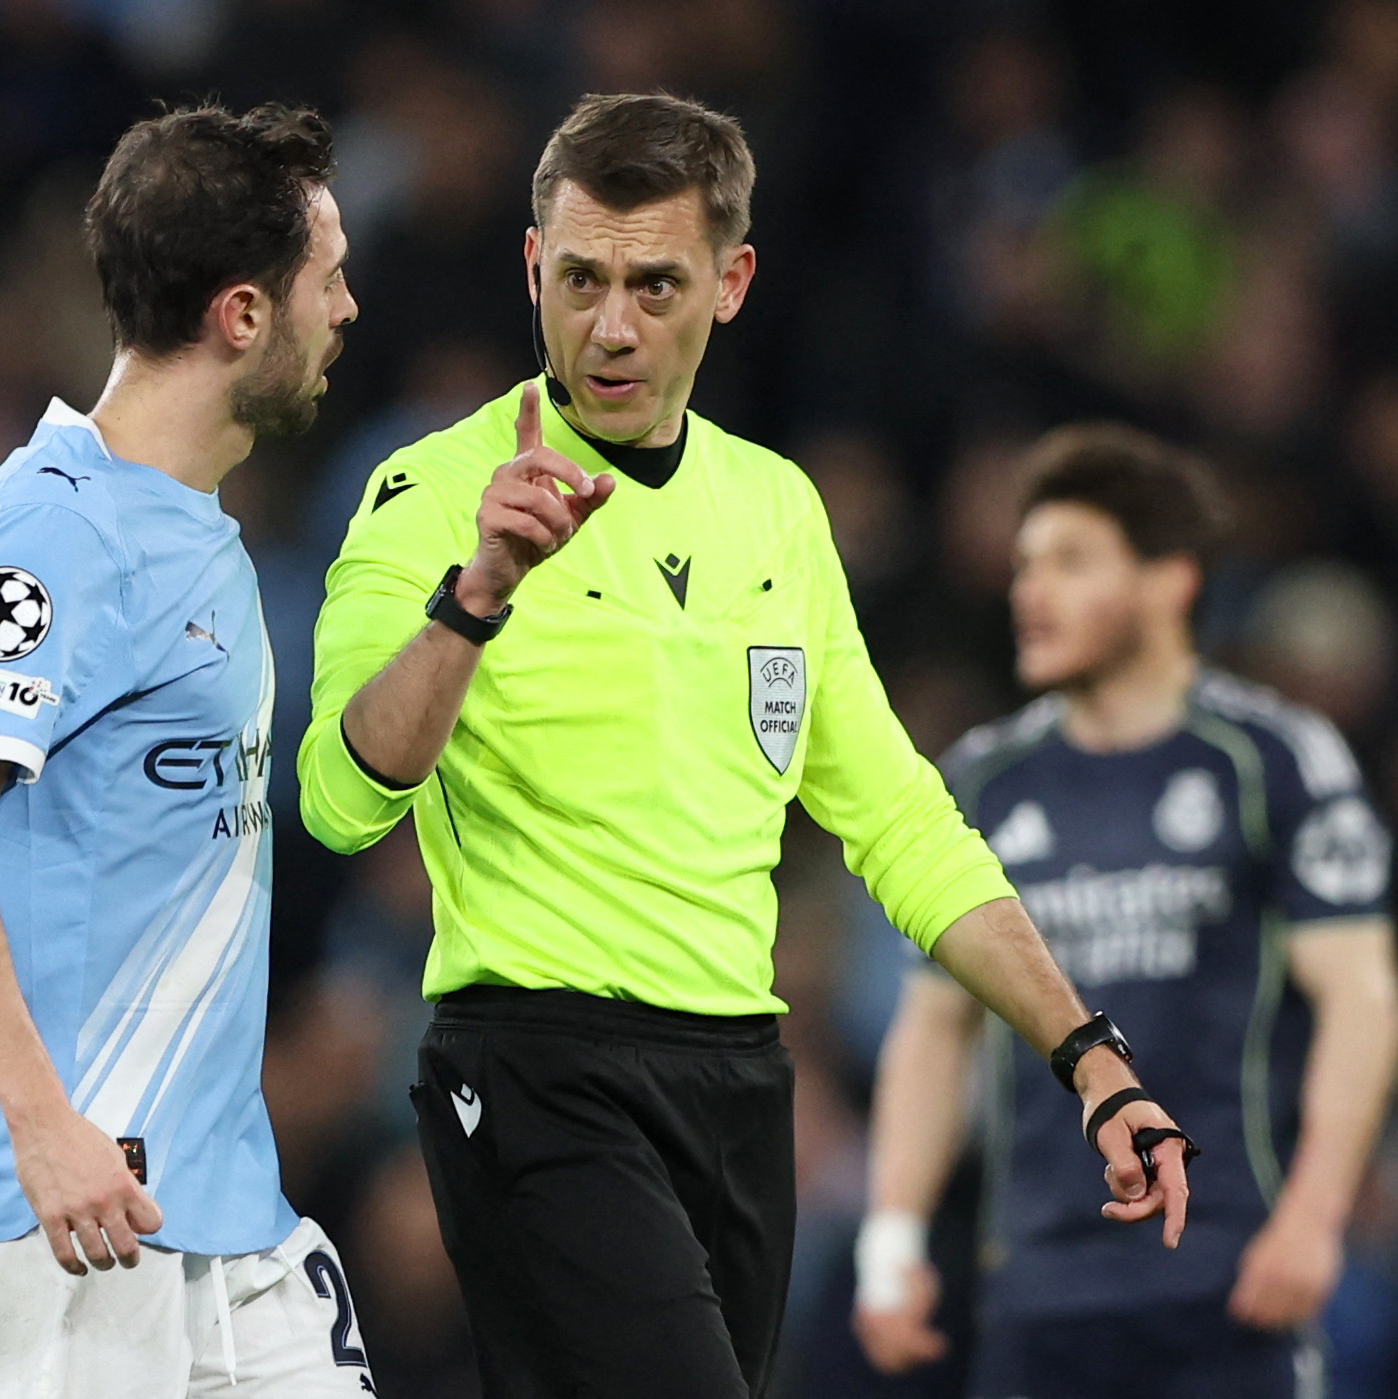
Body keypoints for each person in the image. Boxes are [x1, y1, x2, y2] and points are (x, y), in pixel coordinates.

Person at [298, 93, 1196, 1399]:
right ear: (533, 266)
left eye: (656, 283)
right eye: (584, 279)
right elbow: (340, 795)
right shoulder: (429, 492)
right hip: (537, 1065)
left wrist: (1089, 1056)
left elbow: (896, 814)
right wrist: (472, 597)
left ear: (733, 283)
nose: (613, 325)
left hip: (736, 1086)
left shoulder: (776, 507)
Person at [0, 104, 373, 1398]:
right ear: (245, 314)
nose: (351, 309)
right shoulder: (56, 531)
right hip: (59, 1223)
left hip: (225, 1214)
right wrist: (44, 1124)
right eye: (329, 278)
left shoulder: (197, 530)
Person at [853, 425, 1398, 1399]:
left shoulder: (1272, 759)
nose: (1029, 592)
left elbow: (1360, 999)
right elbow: (932, 1029)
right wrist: (891, 1236)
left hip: (1231, 1278)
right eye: (1024, 564)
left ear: (1168, 581)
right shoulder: (978, 781)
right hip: (1035, 1293)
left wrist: (1314, 1218)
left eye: (1069, 561)